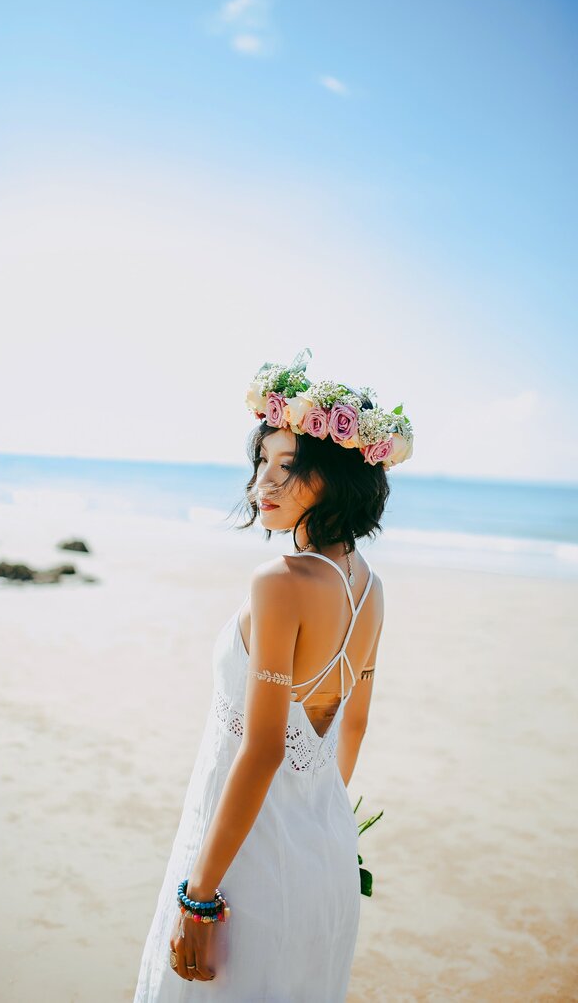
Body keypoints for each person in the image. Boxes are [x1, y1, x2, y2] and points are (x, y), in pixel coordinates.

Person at [133, 348, 414, 1001]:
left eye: (289, 467)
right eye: (261, 462)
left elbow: (262, 749)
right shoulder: (369, 589)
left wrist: (199, 899)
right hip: (321, 858)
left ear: (337, 475)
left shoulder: (280, 582)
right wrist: (313, 821)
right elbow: (353, 725)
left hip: (247, 868)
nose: (264, 484)